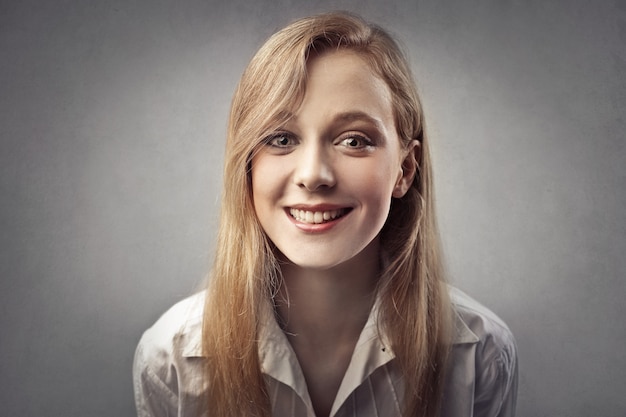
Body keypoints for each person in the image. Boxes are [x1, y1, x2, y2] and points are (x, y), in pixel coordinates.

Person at [133, 12, 518, 417]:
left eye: (354, 140)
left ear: (405, 169)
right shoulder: (171, 358)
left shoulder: (481, 354)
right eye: (281, 139)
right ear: (246, 165)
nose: (314, 174)